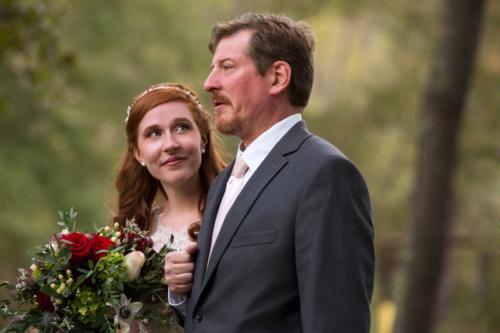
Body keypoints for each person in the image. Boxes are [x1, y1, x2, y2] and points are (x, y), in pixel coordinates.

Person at [166, 13, 375, 332]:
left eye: (227, 67)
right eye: (213, 68)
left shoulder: (325, 175)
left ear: (278, 77)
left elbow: (337, 320)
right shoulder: (224, 181)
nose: (210, 83)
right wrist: (182, 295)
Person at [114, 82, 226, 332]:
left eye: (182, 127)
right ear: (138, 153)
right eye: (154, 133)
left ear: (203, 138)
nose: (170, 144)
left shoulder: (234, 212)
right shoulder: (133, 232)